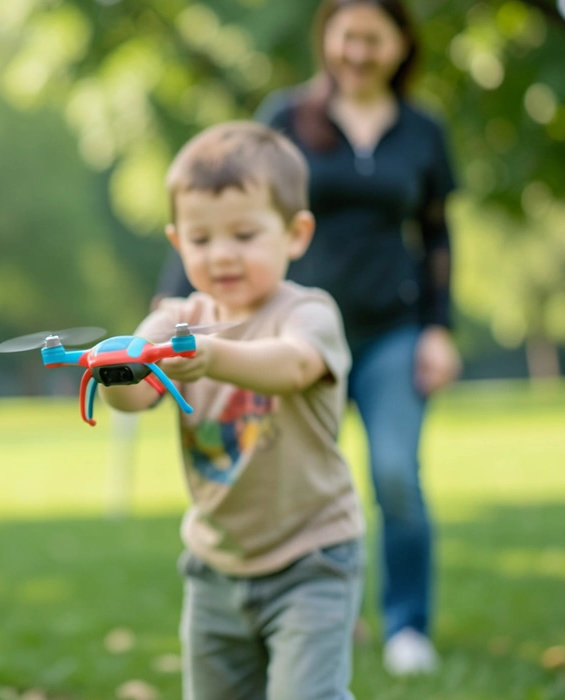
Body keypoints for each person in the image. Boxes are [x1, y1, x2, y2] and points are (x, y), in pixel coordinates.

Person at [155, 0, 461, 675]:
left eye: (373, 38)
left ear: (401, 44)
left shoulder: (423, 132)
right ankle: (319, 609)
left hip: (387, 330)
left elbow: (438, 236)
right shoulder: (288, 117)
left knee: (396, 474)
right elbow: (222, 203)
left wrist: (439, 328)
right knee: (292, 469)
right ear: (326, 37)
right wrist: (168, 309)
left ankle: (406, 625)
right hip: (276, 328)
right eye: (346, 35)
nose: (357, 51)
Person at [102, 121, 365, 699]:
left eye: (244, 234)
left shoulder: (309, 313)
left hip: (312, 557)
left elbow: (293, 366)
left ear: (295, 234)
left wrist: (214, 356)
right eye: (200, 240)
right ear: (178, 243)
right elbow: (134, 395)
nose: (221, 254)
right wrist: (114, 370)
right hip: (215, 566)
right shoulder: (175, 319)